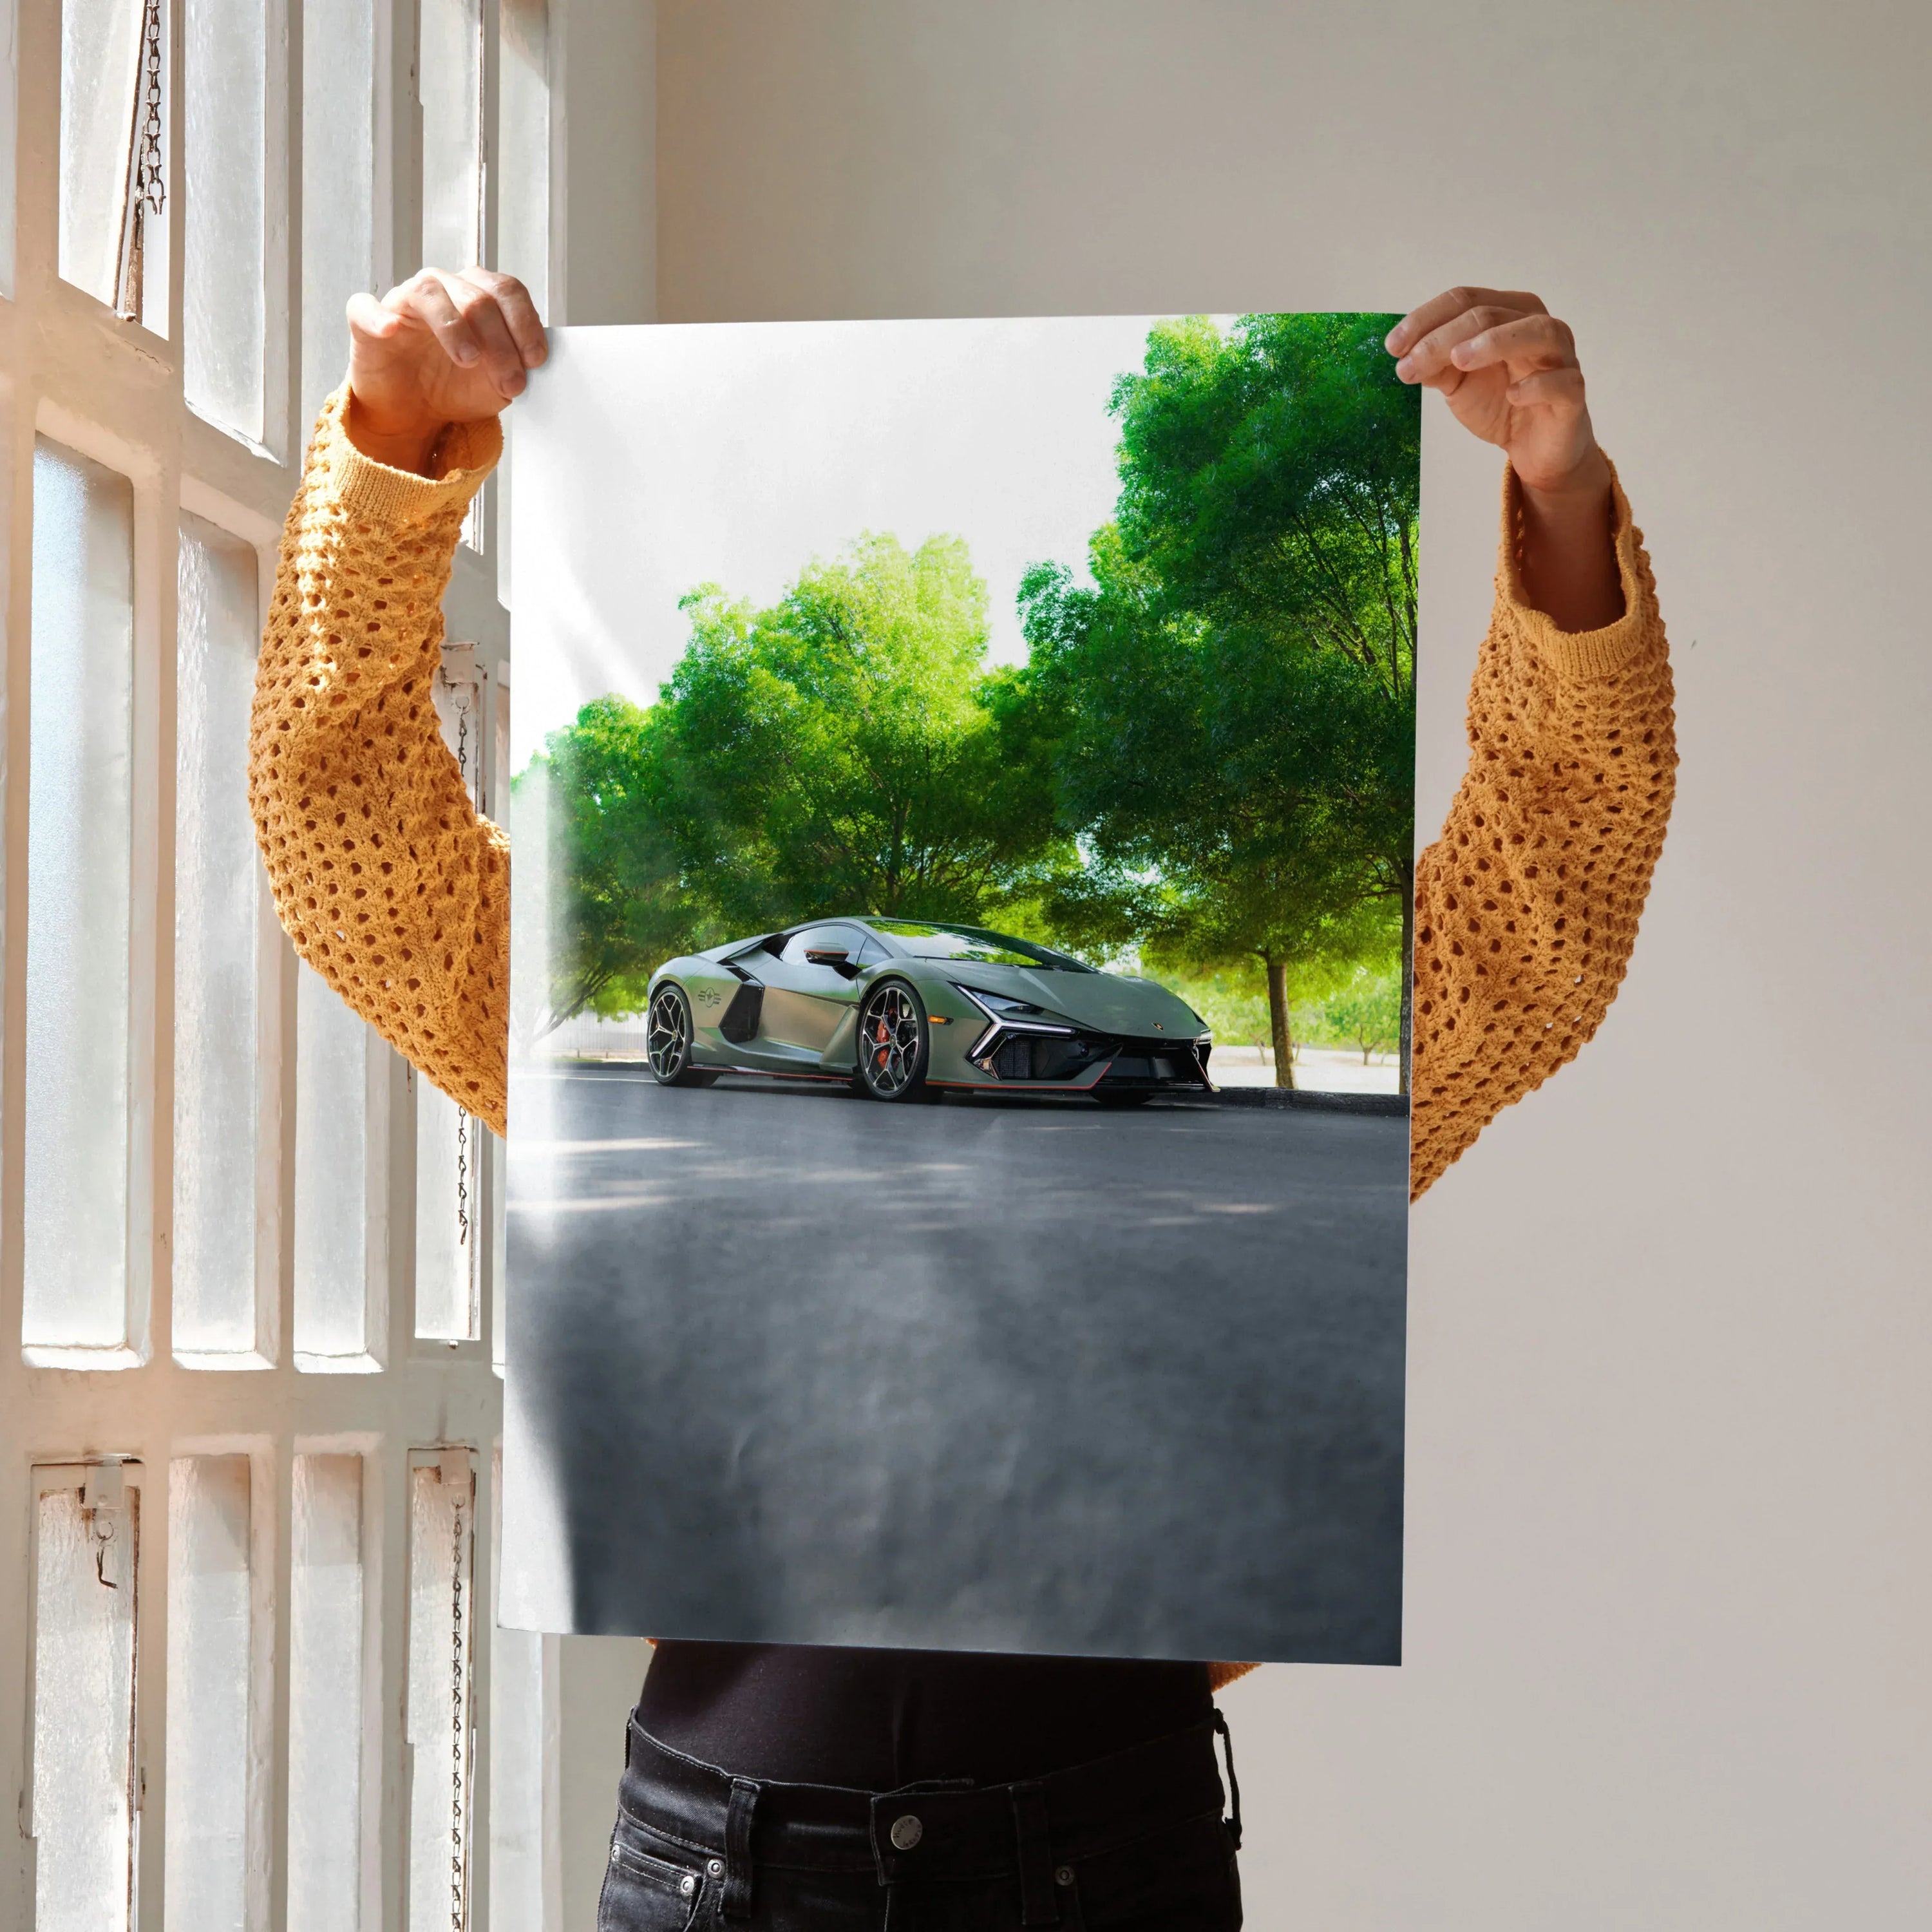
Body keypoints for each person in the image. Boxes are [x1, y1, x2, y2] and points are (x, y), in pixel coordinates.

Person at [250, 270, 1675, 1929]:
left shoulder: (1172, 1119)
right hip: (727, 1861)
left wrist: (1559, 495)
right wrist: (393, 445)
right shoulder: (640, 1073)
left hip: (1104, 1849)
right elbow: (349, 843)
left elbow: (1544, 907)